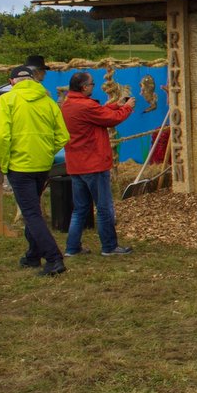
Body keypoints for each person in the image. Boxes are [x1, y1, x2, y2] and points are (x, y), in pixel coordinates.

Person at [0, 64, 70, 276]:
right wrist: (46, 152)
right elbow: (62, 136)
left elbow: (0, 136)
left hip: (19, 166)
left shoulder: (7, 100)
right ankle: (33, 255)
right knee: (33, 208)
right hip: (43, 166)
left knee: (31, 214)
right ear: (33, 80)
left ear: (11, 82)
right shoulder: (49, 102)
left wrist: (5, 163)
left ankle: (54, 259)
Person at [60, 71, 135, 257]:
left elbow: (99, 114)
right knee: (104, 208)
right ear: (84, 87)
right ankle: (109, 246)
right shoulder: (86, 106)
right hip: (94, 164)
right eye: (92, 84)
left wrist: (116, 105)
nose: (94, 86)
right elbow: (111, 120)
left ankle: (72, 247)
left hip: (76, 165)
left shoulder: (68, 104)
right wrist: (127, 108)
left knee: (80, 209)